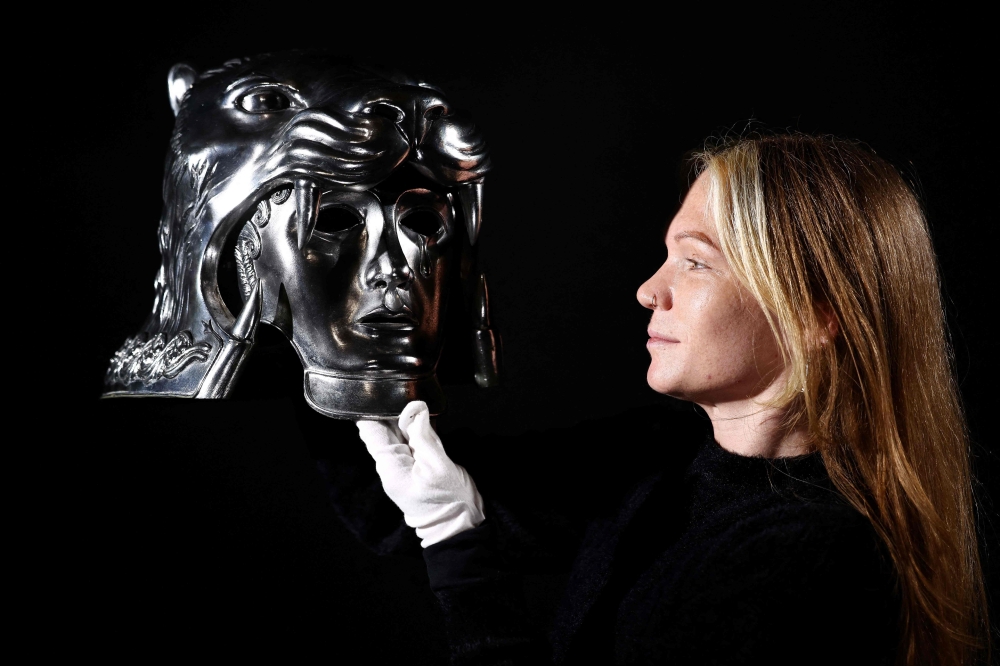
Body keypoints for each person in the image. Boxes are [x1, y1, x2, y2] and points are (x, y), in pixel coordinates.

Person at [355, 133, 990, 665]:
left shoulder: (809, 556)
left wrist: (455, 546)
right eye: (669, 256)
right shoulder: (662, 461)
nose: (648, 290)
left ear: (816, 313)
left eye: (697, 262)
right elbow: (384, 506)